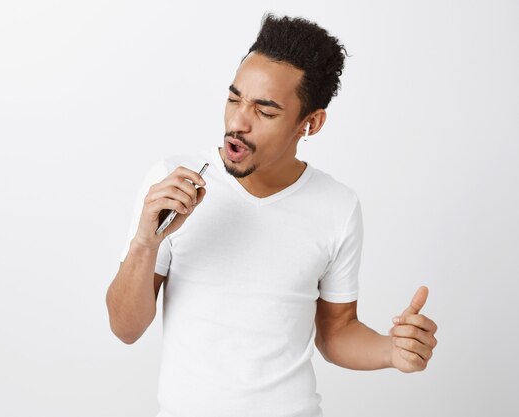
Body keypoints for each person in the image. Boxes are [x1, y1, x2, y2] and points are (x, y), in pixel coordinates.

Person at [106, 13, 438, 417]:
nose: (237, 122)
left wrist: (392, 350)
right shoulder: (171, 185)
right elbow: (126, 328)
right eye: (234, 98)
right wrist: (145, 241)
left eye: (265, 111)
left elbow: (336, 333)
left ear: (310, 123)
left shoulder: (337, 206)